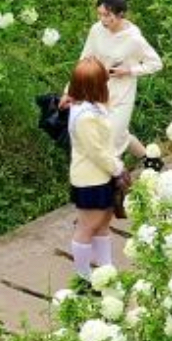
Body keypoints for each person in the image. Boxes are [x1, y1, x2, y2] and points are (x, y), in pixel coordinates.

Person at [78, 0, 161, 161]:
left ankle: (112, 186)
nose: (102, 20)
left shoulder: (133, 38)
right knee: (120, 135)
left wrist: (130, 70)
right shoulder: (97, 30)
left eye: (107, 15)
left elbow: (155, 63)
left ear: (121, 14)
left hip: (122, 95)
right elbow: (85, 58)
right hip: (98, 92)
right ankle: (154, 164)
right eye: (99, 14)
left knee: (108, 141)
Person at [64, 57, 127, 283]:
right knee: (88, 227)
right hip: (91, 179)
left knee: (102, 225)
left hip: (102, 175)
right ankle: (83, 275)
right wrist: (117, 168)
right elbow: (96, 152)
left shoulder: (89, 107)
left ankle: (106, 270)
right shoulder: (85, 117)